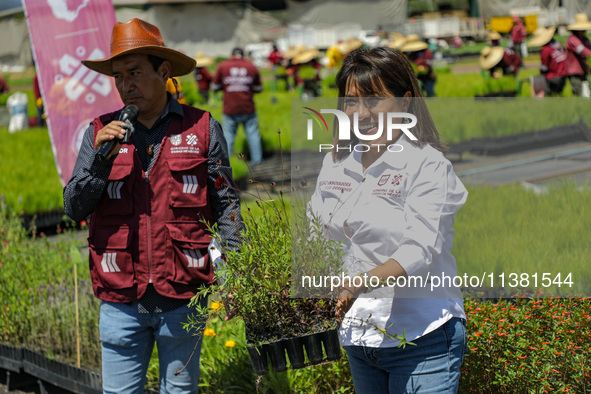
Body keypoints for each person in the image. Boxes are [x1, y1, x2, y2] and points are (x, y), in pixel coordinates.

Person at [63, 18, 243, 393]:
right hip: (120, 297)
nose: (126, 85)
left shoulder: (203, 129)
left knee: (179, 391)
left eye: (135, 73)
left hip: (180, 295)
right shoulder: (100, 131)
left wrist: (239, 271)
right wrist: (101, 161)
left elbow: (225, 204)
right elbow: (74, 208)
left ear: (163, 72)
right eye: (118, 76)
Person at [308, 46, 468, 393]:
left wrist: (358, 283)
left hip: (422, 338)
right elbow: (314, 232)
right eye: (351, 102)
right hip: (360, 337)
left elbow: (419, 249)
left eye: (374, 100)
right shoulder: (336, 163)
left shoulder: (427, 166)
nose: (361, 112)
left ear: (406, 102)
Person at [212, 47, 263, 164]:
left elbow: (214, 87)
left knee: (228, 137)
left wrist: (227, 86)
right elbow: (258, 88)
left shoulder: (223, 66)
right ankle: (257, 161)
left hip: (230, 108)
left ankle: (228, 164)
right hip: (248, 108)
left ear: (231, 54)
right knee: (253, 134)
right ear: (243, 55)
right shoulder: (251, 66)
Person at [528, 27, 567, 96]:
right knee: (559, 95)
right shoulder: (556, 44)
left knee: (551, 96)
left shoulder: (546, 50)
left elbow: (544, 67)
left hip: (553, 77)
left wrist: (540, 74)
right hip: (563, 74)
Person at [564, 13, 591, 96]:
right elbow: (583, 51)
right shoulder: (572, 40)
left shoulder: (585, 39)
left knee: (586, 93)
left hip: (584, 70)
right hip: (575, 72)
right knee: (578, 92)